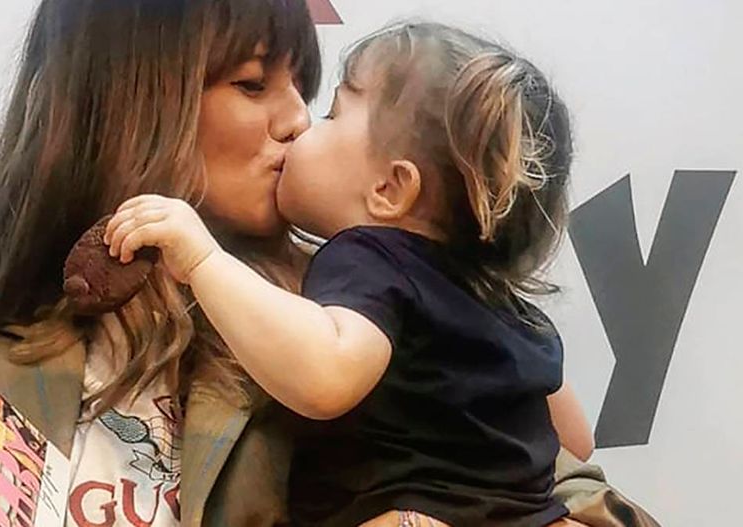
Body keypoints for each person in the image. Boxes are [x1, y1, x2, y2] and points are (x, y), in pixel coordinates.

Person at [0, 1, 657, 526]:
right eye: (252, 83)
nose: (296, 120)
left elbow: (568, 479)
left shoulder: (345, 304)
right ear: (133, 100)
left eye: (309, 89)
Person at [104, 20, 589, 526]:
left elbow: (325, 377)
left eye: (332, 113)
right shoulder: (507, 306)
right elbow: (575, 440)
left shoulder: (367, 259)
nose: (301, 124)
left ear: (390, 188)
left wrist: (203, 260)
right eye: (252, 84)